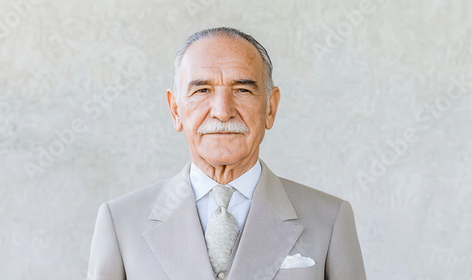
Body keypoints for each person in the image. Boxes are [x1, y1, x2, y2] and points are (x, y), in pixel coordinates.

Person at [87, 27, 366, 280]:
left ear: (270, 108)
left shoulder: (330, 219)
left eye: (242, 89)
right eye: (202, 90)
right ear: (175, 110)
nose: (222, 110)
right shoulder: (120, 221)